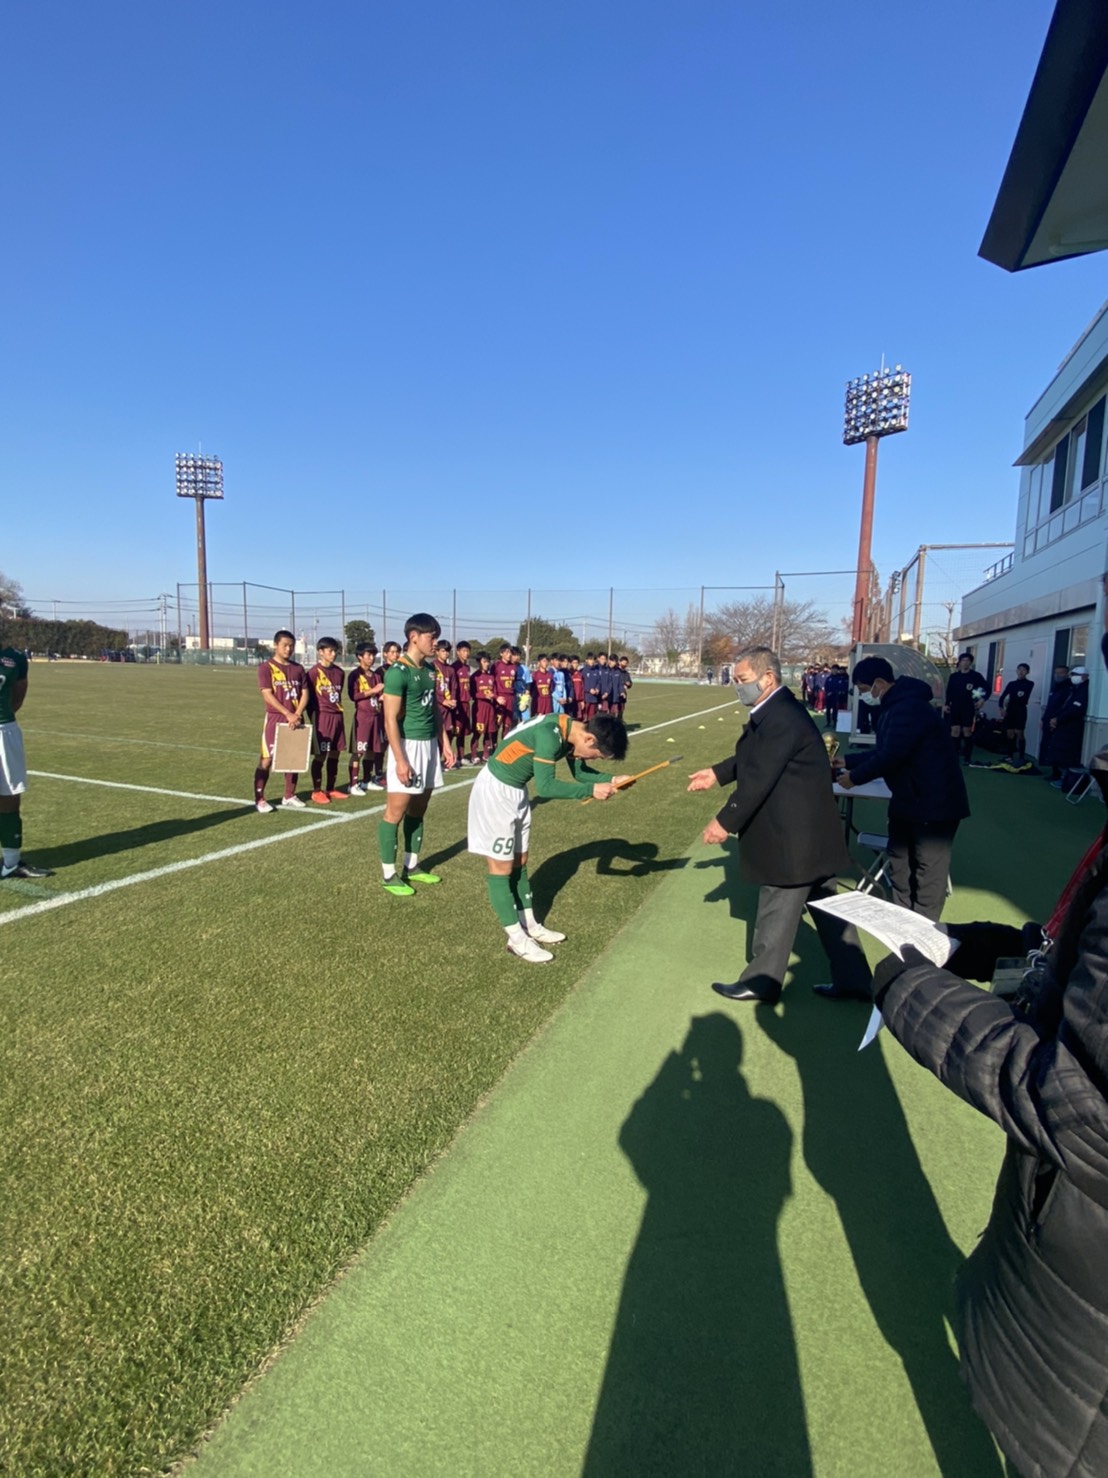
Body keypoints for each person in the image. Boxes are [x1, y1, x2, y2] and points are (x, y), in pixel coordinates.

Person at [687, 646, 872, 1005]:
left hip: (794, 838)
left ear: (768, 678)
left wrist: (723, 822)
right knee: (828, 908)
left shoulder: (782, 716)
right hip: (811, 835)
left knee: (777, 904)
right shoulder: (777, 710)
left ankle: (762, 981)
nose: (738, 687)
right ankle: (855, 979)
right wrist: (717, 773)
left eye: (742, 680)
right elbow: (754, 756)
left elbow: (758, 776)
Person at [468, 709, 629, 962]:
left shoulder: (572, 732)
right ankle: (517, 940)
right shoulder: (549, 734)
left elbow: (580, 772)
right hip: (495, 791)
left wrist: (613, 779)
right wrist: (590, 790)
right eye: (597, 755)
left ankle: (529, 925)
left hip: (516, 791)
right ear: (589, 739)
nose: (592, 759)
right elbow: (545, 787)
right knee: (501, 867)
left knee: (520, 861)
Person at [836, 655, 969, 923]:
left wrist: (855, 777)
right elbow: (885, 750)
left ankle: (923, 929)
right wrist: (847, 761)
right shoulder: (894, 706)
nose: (865, 696)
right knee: (900, 862)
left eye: (864, 689)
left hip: (933, 804)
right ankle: (903, 919)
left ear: (879, 683)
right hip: (908, 800)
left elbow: (892, 755)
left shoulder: (909, 708)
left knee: (927, 870)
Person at [378, 613, 455, 896]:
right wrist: (400, 761)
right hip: (407, 746)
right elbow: (389, 720)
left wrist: (444, 743)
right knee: (395, 811)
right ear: (414, 637)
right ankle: (389, 875)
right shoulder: (397, 672)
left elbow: (434, 709)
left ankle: (412, 866)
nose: (436, 643)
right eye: (431, 637)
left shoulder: (430, 670)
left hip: (429, 745)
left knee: (419, 809)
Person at [0, 647, 53, 880]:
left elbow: (17, 698)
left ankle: (11, 863)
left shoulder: (15, 659)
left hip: (5, 731)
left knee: (10, 795)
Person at [254, 629, 309, 812]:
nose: (288, 649)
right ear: (275, 645)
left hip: (295, 718)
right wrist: (287, 713)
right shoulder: (266, 668)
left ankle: (289, 795)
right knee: (267, 759)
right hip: (276, 718)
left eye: (291, 646)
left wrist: (297, 714)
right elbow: (267, 694)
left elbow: (305, 693)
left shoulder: (298, 669)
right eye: (285, 645)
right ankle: (260, 799)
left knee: (293, 758)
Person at [306, 638, 348, 805]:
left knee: (335, 752)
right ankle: (316, 791)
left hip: (338, 716)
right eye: (330, 651)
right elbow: (308, 699)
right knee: (321, 755)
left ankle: (331, 788)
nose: (333, 654)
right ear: (320, 652)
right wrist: (314, 718)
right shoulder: (313, 673)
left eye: (335, 651)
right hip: (322, 717)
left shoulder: (340, 672)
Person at [346, 642, 384, 794]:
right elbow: (353, 696)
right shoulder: (355, 675)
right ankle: (353, 784)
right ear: (359, 657)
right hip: (362, 718)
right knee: (359, 751)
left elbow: (380, 695)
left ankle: (366, 781)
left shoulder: (376, 676)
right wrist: (373, 691)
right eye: (368, 655)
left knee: (371, 750)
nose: (371, 658)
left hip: (376, 716)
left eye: (373, 655)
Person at [1042, 664, 1089, 787]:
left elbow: (1075, 709)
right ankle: (1059, 775)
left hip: (1071, 727)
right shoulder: (1073, 689)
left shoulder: (1081, 690)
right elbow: (1062, 707)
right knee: (1055, 749)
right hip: (1060, 723)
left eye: (1076, 675)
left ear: (1085, 676)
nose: (1073, 677)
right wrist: (1053, 719)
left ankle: (1066, 779)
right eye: (1072, 675)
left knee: (1067, 753)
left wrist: (1058, 719)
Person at [944, 652, 987, 765]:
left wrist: (982, 699)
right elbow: (949, 692)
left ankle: (967, 757)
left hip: (968, 707)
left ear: (971, 663)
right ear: (960, 662)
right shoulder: (954, 676)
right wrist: (946, 704)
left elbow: (987, 688)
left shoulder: (976, 676)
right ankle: (954, 756)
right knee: (955, 730)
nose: (965, 662)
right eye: (963, 660)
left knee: (966, 731)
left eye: (968, 660)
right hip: (955, 706)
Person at [998, 662, 1034, 766]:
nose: (1021, 672)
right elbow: (1003, 696)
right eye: (1019, 669)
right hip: (1010, 710)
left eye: (1023, 670)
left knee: (1019, 732)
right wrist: (1001, 708)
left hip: (1021, 710)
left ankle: (1021, 756)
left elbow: (1022, 696)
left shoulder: (1029, 684)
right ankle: (1009, 755)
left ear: (1027, 672)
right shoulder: (1011, 684)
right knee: (1010, 733)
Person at [1039, 663, 1070, 764]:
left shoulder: (1068, 689)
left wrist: (1056, 719)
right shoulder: (1055, 687)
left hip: (1058, 721)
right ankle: (1045, 762)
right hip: (1048, 719)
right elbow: (1050, 705)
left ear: (1067, 674)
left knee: (1055, 745)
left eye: (1061, 673)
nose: (1057, 675)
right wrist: (1043, 719)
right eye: (1056, 673)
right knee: (1045, 742)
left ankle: (1055, 768)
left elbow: (1065, 707)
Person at [471, 651, 498, 763]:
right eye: (484, 661)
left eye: (488, 661)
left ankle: (486, 754)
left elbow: (495, 692)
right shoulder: (475, 677)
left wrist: (496, 697)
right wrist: (484, 696)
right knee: (478, 732)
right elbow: (472, 694)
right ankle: (474, 755)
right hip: (479, 708)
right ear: (479, 662)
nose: (487, 664)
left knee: (489, 731)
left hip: (490, 708)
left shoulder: (492, 677)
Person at [451, 640, 474, 767]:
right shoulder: (454, 667)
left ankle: (461, 756)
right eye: (464, 651)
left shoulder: (467, 667)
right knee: (454, 731)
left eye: (467, 651)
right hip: (457, 703)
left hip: (466, 703)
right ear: (458, 652)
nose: (466, 653)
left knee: (463, 732)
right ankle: (447, 757)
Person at [492, 643, 516, 739]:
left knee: (507, 725)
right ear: (501, 654)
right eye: (506, 652)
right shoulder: (496, 665)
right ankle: (493, 745)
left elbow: (514, 682)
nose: (509, 655)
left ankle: (504, 745)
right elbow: (492, 682)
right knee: (496, 724)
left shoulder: (513, 667)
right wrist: (496, 697)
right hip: (500, 698)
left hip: (510, 698)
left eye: (510, 652)